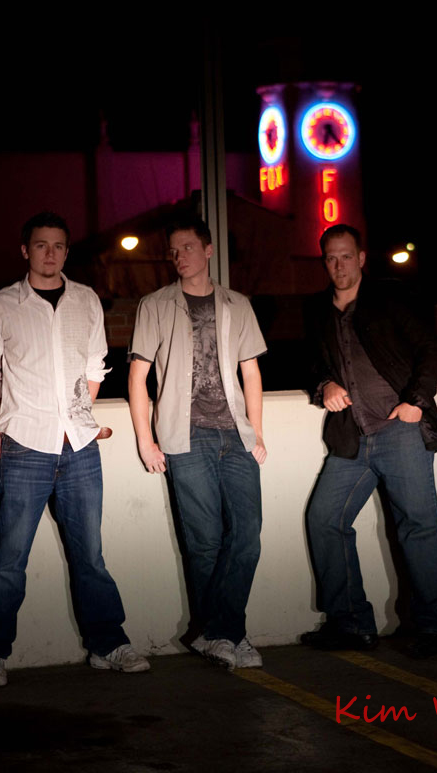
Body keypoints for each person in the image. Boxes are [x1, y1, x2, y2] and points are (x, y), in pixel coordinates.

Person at [0, 211, 148, 686]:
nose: (50, 253)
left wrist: (79, 418)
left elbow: (94, 367)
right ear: (25, 250)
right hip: (24, 446)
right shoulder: (1, 304)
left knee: (91, 556)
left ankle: (107, 644)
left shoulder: (86, 300)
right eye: (41, 245)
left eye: (59, 246)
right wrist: (1, 429)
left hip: (81, 449)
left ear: (67, 251)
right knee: (8, 559)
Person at [300, 224, 437, 659]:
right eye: (331, 258)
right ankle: (351, 623)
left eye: (346, 256)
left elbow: (432, 351)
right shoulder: (317, 310)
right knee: (324, 520)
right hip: (351, 438)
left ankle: (433, 626)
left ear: (362, 258)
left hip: (400, 432)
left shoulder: (390, 299)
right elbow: (309, 363)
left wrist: (416, 402)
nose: (339, 265)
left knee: (419, 528)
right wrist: (324, 384)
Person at [127, 217, 267, 670]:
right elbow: (138, 376)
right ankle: (229, 636)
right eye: (174, 250)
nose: (179, 256)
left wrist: (256, 432)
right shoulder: (155, 305)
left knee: (246, 536)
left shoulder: (238, 304)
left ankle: (220, 633)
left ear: (208, 250)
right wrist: (146, 441)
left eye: (187, 247)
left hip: (235, 435)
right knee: (204, 542)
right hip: (185, 436)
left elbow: (251, 372)